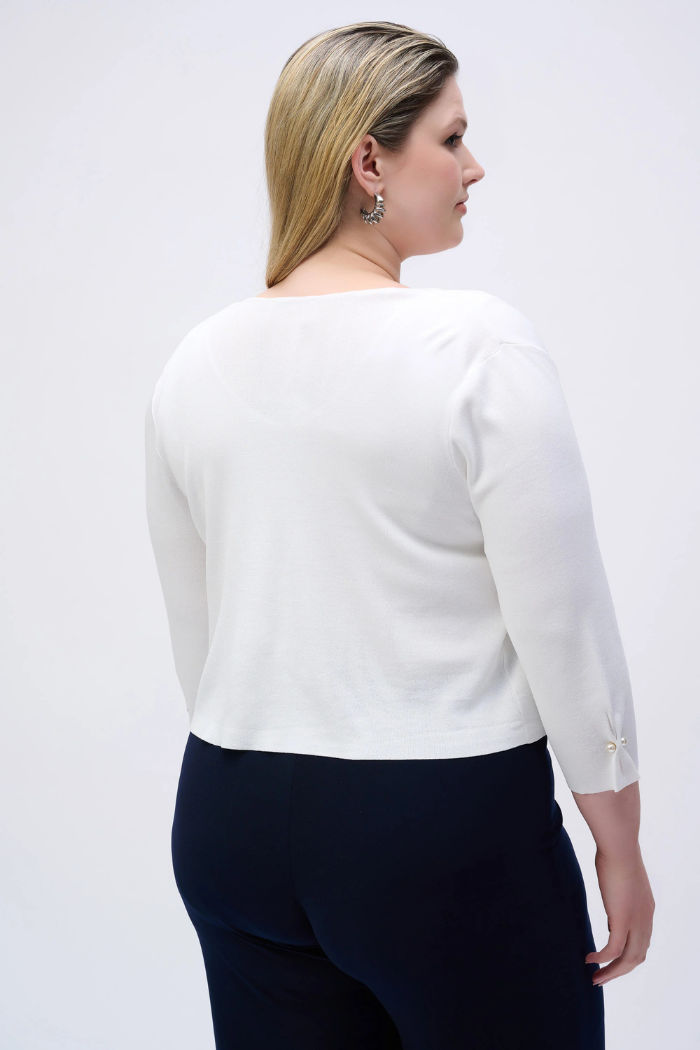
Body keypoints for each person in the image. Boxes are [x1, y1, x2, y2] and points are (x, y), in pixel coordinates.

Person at [144, 20, 654, 1049]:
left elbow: (201, 638)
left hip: (230, 817)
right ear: (368, 163)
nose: (474, 166)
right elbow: (561, 619)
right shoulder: (473, 345)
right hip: (439, 828)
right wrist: (618, 837)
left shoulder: (193, 361)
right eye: (451, 138)